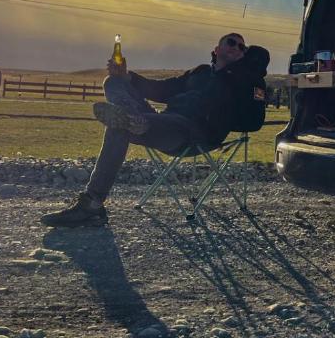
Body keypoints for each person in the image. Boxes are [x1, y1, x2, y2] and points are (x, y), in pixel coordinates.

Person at [41, 33, 263, 227]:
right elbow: (163, 89)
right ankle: (132, 120)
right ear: (216, 49)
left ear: (243, 56)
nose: (236, 48)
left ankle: (92, 203)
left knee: (120, 126)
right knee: (113, 82)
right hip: (162, 122)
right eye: (231, 42)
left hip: (194, 134)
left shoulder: (243, 82)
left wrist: (247, 84)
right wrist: (128, 76)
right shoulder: (200, 71)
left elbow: (253, 122)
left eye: (242, 47)